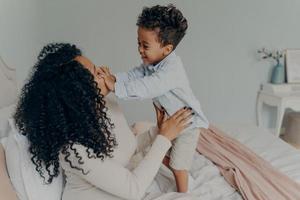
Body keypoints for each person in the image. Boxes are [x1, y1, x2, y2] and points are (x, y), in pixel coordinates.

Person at [13, 43, 193, 200]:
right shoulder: (73, 149)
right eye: (94, 72)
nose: (103, 71)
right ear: (77, 93)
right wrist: (164, 139)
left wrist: (158, 131)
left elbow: (128, 148)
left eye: (96, 67)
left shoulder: (107, 104)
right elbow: (133, 189)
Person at [99, 4, 209, 192]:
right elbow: (134, 75)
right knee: (163, 150)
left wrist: (114, 86)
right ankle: (172, 160)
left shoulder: (170, 70)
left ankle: (184, 194)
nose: (140, 50)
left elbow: (145, 88)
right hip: (169, 121)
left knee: (178, 165)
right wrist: (114, 79)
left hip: (186, 124)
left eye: (145, 45)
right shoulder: (153, 62)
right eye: (138, 43)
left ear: (166, 49)